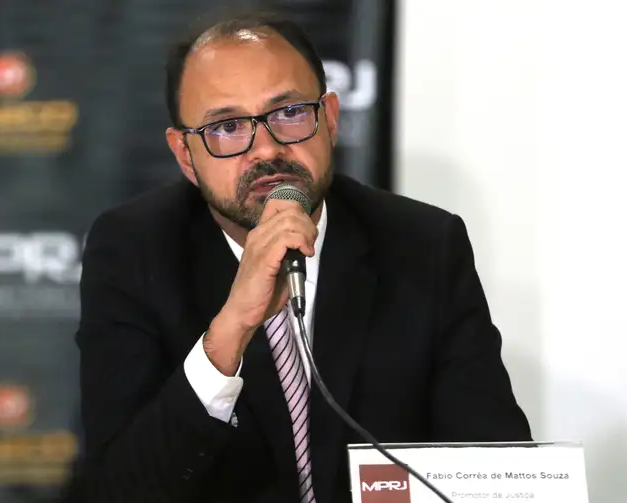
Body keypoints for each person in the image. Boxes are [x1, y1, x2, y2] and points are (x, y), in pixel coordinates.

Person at [62, 10, 532, 503]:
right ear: (185, 155)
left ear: (329, 118)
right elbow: (117, 488)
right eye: (226, 127)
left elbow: (495, 464)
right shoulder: (135, 251)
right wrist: (231, 330)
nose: (265, 149)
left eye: (289, 113)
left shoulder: (423, 244)